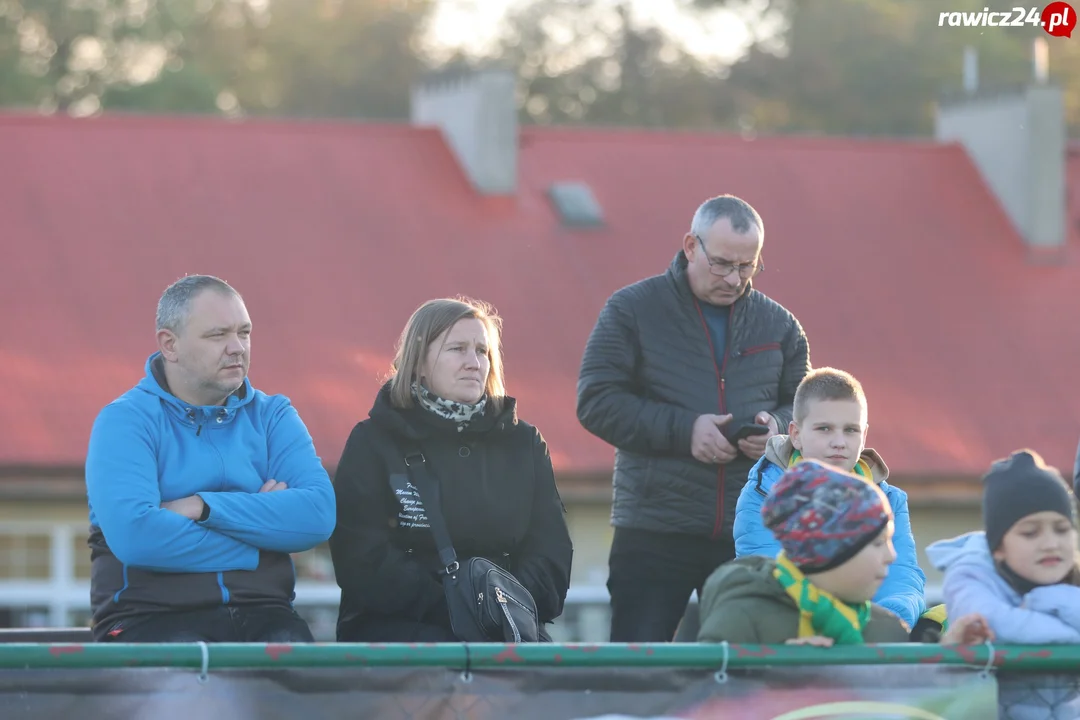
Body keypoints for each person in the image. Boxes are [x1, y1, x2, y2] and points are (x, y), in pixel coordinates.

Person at [576, 194, 810, 642]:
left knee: (746, 680)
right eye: (722, 263)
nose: (735, 279)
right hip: (653, 529)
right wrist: (687, 431)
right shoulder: (631, 310)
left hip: (750, 533)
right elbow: (596, 401)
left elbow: (804, 408)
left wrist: (778, 431)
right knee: (639, 677)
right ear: (690, 246)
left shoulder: (780, 325)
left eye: (748, 267)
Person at [84, 275, 336, 642]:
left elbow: (317, 517)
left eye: (244, 332)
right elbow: (137, 538)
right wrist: (263, 536)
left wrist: (201, 508)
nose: (237, 347)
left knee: (305, 691)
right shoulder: (125, 421)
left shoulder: (274, 416)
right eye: (218, 335)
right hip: (149, 619)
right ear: (169, 345)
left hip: (267, 615)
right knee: (195, 697)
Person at [330, 297, 573, 642]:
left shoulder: (524, 442)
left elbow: (552, 559)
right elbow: (361, 559)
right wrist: (456, 607)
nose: (474, 363)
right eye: (457, 349)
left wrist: (500, 606)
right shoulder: (375, 441)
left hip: (507, 637)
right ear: (419, 363)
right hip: (403, 640)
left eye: (482, 351)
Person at [732, 368, 928, 629]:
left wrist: (886, 625)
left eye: (850, 430)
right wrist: (840, 629)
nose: (839, 442)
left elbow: (902, 578)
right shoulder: (763, 492)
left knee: (944, 621)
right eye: (824, 429)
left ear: (864, 436)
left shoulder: (890, 500)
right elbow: (771, 578)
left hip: (868, 634)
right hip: (796, 638)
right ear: (796, 434)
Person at [926, 450, 1080, 718]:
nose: (1051, 543)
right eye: (1030, 532)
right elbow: (992, 621)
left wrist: (1055, 601)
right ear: (998, 547)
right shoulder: (969, 574)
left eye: (1062, 529)